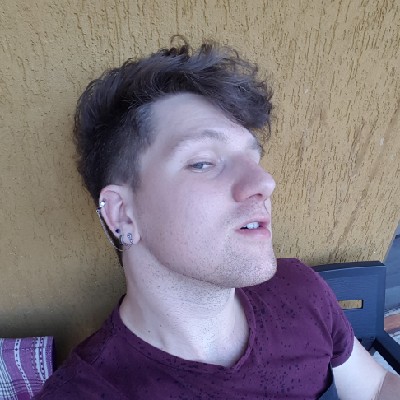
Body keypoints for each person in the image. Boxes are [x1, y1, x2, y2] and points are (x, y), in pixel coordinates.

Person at [34, 39, 400, 399]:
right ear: (122, 214)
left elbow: (374, 388)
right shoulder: (88, 391)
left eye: (253, 159)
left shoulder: (299, 289)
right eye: (203, 163)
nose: (264, 183)